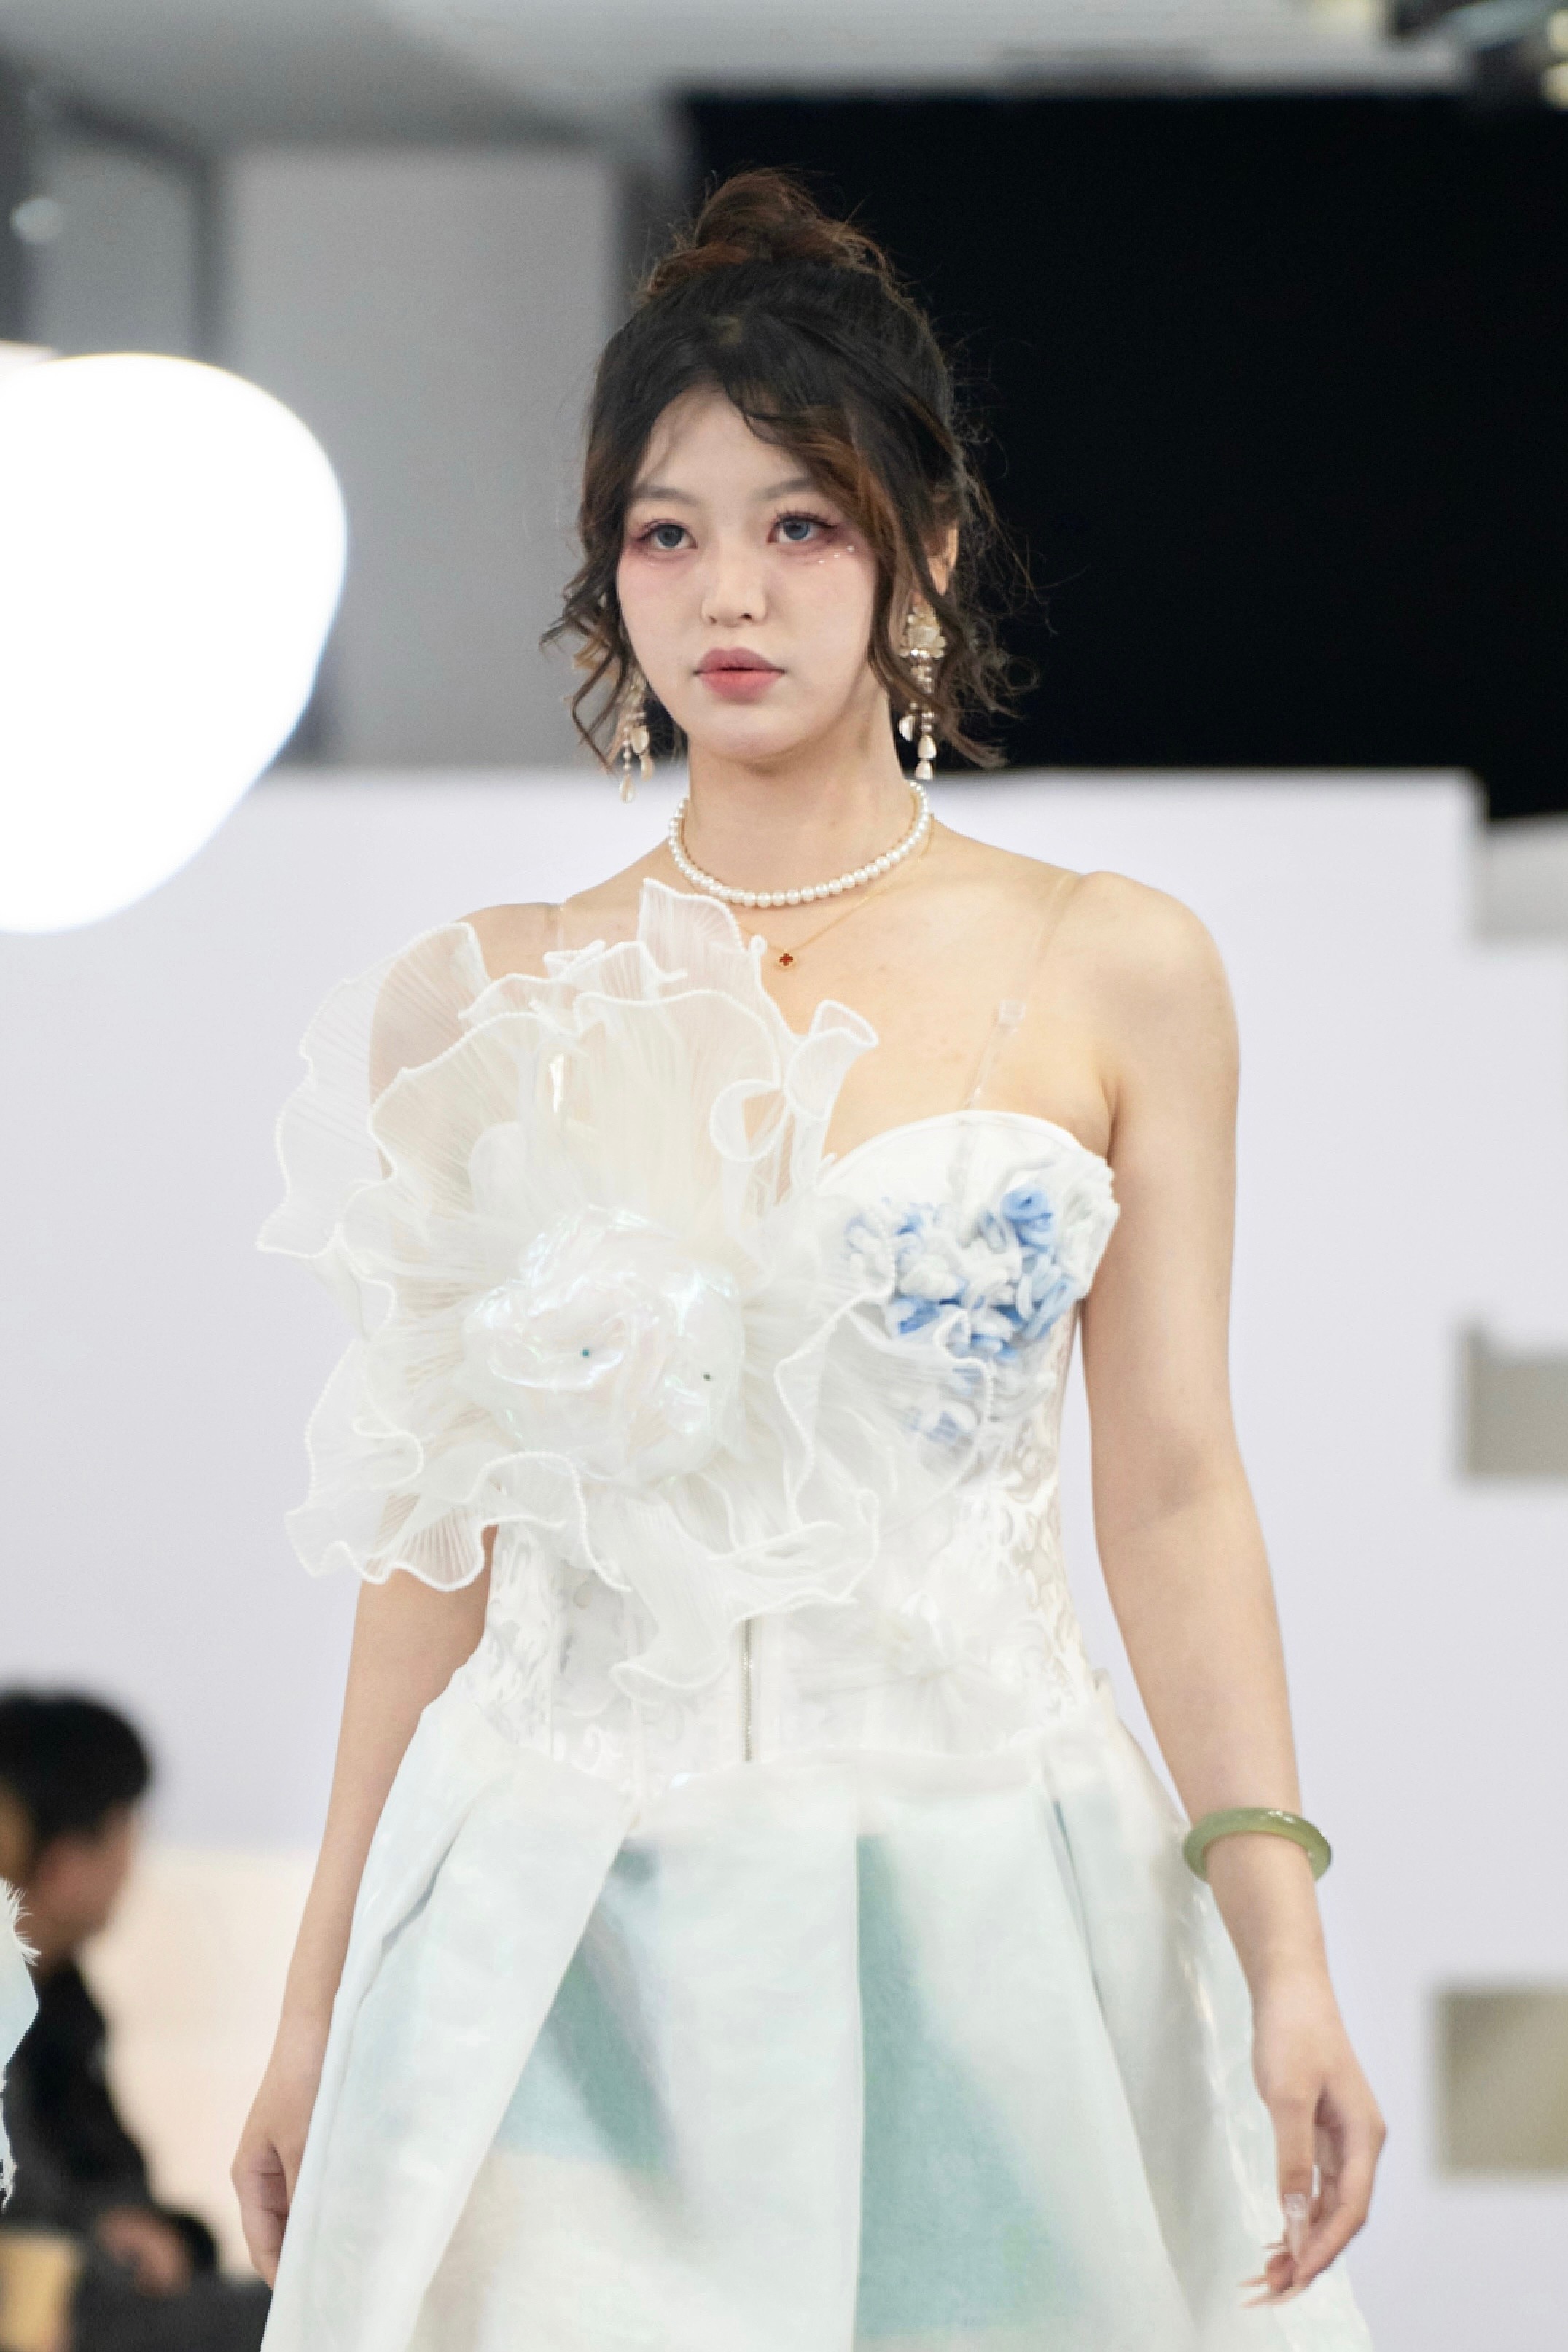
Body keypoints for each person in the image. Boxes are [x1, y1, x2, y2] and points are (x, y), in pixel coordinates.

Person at [235, 171, 1384, 2348]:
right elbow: (430, 1551)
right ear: (607, 571)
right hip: (565, 1912)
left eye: (801, 523)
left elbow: (1170, 1489)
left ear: (923, 549)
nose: (729, 593)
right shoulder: (481, 999)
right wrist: (318, 1998)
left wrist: (1284, 1944)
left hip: (987, 1894)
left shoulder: (1113, 963)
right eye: (665, 533)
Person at [0, 1693, 269, 2352]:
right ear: (65, 1863)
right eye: (128, 1828)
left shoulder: (60, 2003)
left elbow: (108, 2185)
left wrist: (166, 2237)